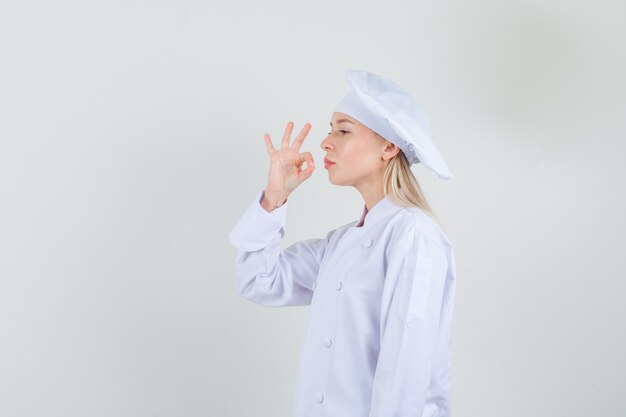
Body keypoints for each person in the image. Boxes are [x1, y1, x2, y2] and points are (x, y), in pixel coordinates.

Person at [228, 69, 457, 417]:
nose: (325, 142)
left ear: (389, 146)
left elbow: (405, 376)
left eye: (343, 130)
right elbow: (258, 280)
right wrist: (275, 198)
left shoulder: (412, 235)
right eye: (330, 130)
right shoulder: (341, 243)